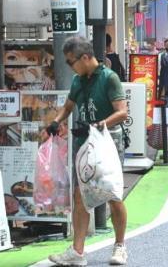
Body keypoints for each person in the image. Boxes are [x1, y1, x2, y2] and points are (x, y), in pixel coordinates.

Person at [47, 36, 128, 266]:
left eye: (70, 61)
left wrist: (102, 123)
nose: (69, 66)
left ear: (84, 57)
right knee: (80, 197)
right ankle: (77, 251)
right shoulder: (77, 80)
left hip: (106, 142)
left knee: (112, 194)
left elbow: (122, 112)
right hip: (83, 144)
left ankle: (120, 246)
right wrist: (57, 121)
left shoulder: (109, 78)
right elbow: (68, 106)